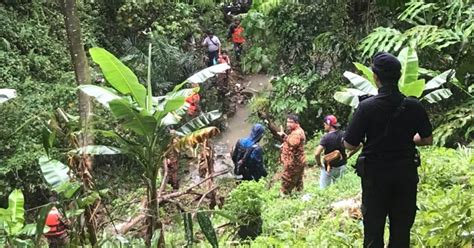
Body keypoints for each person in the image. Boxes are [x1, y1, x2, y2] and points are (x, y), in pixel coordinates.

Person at [343, 52, 433, 247]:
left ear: (376, 77)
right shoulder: (413, 106)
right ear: (399, 76)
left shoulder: (366, 107)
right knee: (401, 231)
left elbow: (349, 144)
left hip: (375, 177)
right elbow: (427, 139)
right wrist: (407, 138)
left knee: (373, 231)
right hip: (405, 175)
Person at [314, 115, 350, 189]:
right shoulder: (343, 134)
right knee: (340, 189)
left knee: (323, 189)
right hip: (342, 166)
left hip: (329, 168)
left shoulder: (326, 138)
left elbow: (317, 153)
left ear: (328, 124)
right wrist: (350, 154)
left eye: (324, 125)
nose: (324, 126)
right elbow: (359, 144)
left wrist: (319, 164)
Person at [278, 114, 306, 195]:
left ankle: (284, 197)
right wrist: (285, 137)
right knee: (298, 181)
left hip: (294, 163)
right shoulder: (295, 132)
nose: (288, 124)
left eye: (290, 122)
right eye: (287, 122)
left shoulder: (297, 133)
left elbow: (294, 143)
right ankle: (299, 195)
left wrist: (285, 139)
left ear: (296, 123)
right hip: (296, 162)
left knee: (287, 180)